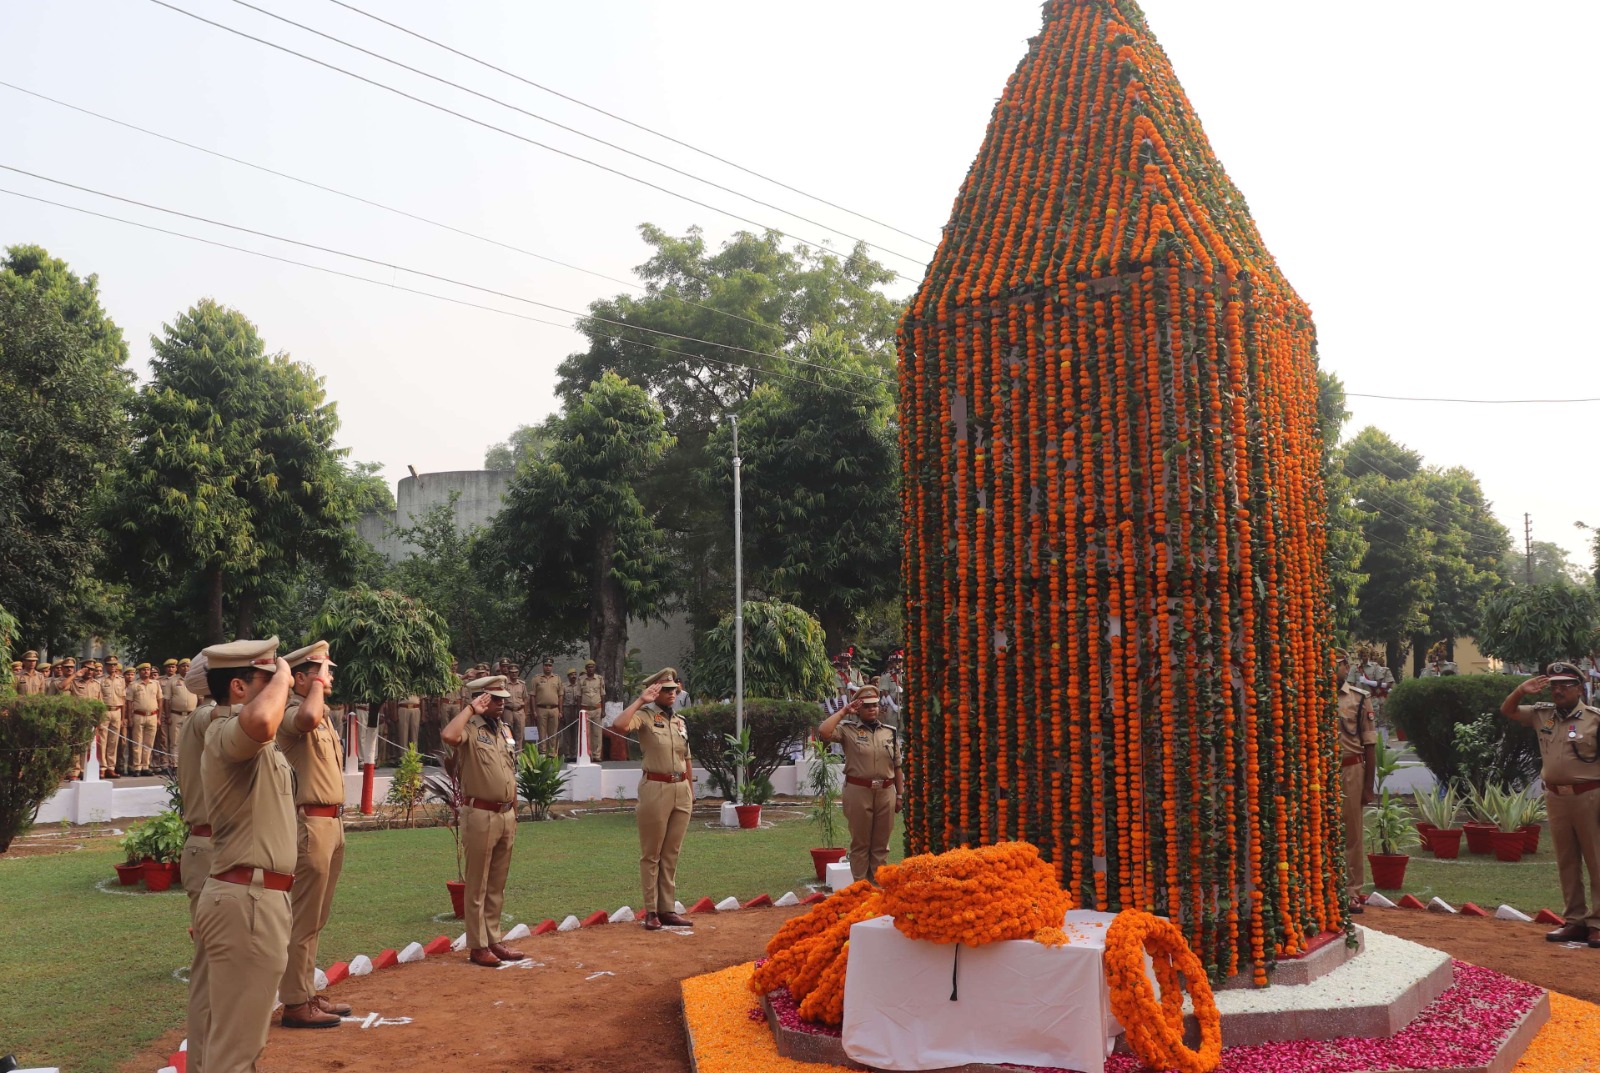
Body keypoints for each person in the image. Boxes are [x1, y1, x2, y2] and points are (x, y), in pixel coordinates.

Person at [193, 636, 295, 1073]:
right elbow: (262, 724)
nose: (278, 685)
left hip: (254, 900)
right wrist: (288, 676)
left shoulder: (243, 737)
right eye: (267, 678)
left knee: (238, 1044)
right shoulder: (228, 731)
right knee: (235, 1053)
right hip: (246, 903)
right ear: (239, 687)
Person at [272, 640, 350, 1028]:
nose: (329, 678)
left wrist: (316, 682)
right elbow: (304, 720)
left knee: (316, 917)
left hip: (332, 824)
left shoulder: (323, 713)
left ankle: (305, 992)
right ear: (299, 678)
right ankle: (295, 1003)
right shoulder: (292, 711)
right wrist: (314, 683)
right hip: (310, 824)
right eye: (323, 671)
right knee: (303, 918)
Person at [1499, 663, 1600, 947]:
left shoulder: (1594, 719)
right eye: (1554, 685)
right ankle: (1575, 921)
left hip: (1590, 796)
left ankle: (1598, 924)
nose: (1557, 690)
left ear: (1579, 688)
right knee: (1566, 861)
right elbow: (1508, 711)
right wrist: (1521, 690)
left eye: (1565, 685)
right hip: (1556, 798)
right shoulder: (1542, 714)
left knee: (1597, 860)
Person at [439, 675, 527, 967]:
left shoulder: (502, 729)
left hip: (505, 814)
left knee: (497, 883)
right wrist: (469, 711)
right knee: (477, 883)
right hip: (480, 814)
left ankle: (494, 939)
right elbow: (448, 737)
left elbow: (509, 771)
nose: (502, 702)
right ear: (479, 699)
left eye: (503, 698)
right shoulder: (469, 728)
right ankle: (478, 946)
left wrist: (514, 810)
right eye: (494, 698)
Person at [613, 668, 695, 931]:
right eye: (665, 689)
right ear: (655, 691)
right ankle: (651, 911)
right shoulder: (645, 716)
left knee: (671, 852)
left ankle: (667, 908)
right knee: (652, 854)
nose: (672, 693)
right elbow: (619, 726)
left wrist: (690, 790)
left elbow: (687, 758)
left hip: (680, 789)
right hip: (655, 788)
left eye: (674, 689)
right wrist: (640, 700)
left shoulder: (680, 721)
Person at [175, 653, 219, 1073]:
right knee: (211, 968)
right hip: (212, 850)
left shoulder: (204, 719)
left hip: (217, 849)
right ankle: (205, 1065)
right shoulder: (208, 718)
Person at [817, 684, 901, 884]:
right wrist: (845, 711)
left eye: (874, 705)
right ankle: (861, 887)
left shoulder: (890, 732)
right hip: (858, 791)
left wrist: (899, 795)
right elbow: (824, 731)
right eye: (866, 706)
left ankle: (878, 886)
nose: (872, 709)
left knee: (881, 844)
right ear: (858, 709)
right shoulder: (848, 730)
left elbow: (897, 766)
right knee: (861, 843)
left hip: (886, 791)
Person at [1333, 649, 1377, 914]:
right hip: (1320, 773)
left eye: (1335, 665)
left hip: (1351, 770)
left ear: (1345, 667)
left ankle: (1351, 892)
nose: (1330, 671)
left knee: (1352, 834)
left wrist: (1368, 786)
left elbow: (1369, 744)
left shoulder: (1359, 699)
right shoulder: (1310, 697)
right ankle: (1323, 890)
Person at [126, 663, 162, 778]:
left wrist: (159, 718)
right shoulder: (134, 685)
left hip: (152, 715)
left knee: (149, 743)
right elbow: (129, 702)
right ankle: (137, 767)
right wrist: (130, 718)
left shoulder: (155, 684)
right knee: (137, 742)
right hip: (138, 715)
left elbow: (160, 700)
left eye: (147, 669)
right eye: (143, 670)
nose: (146, 671)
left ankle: (146, 766)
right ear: (139, 672)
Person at [166, 657, 200, 774]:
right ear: (179, 668)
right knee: (175, 741)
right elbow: (167, 700)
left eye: (188, 666)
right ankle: (174, 764)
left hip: (191, 714)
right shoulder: (172, 681)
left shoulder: (194, 680)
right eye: (183, 666)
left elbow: (200, 698)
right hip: (176, 714)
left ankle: (189, 763)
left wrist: (198, 712)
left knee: (191, 740)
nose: (186, 668)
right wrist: (167, 716)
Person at [100, 655, 126, 778]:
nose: (113, 667)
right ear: (106, 666)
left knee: (113, 741)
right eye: (110, 665)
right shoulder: (100, 680)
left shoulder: (121, 680)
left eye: (115, 664)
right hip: (104, 710)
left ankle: (111, 767)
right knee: (102, 740)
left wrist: (123, 718)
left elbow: (124, 699)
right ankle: (102, 767)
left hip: (117, 711)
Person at [531, 659, 563, 757]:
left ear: (552, 666)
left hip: (554, 709)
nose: (548, 667)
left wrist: (560, 711)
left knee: (553, 732)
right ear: (543, 666)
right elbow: (532, 696)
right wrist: (534, 711)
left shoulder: (557, 678)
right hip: (541, 709)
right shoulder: (536, 679)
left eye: (549, 665)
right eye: (546, 665)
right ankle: (542, 753)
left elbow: (560, 695)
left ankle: (552, 753)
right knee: (542, 732)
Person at [577, 660, 605, 762]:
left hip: (597, 709)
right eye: (588, 667)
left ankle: (596, 755)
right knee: (586, 733)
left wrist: (603, 710)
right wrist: (579, 710)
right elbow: (579, 696)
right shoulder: (580, 680)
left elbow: (603, 694)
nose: (590, 669)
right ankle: (587, 754)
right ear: (586, 669)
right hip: (585, 710)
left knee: (597, 733)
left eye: (592, 667)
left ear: (595, 668)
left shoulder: (599, 679)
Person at [503, 664, 529, 753]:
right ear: (509, 673)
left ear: (518, 673)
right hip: (508, 710)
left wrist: (525, 711)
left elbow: (526, 698)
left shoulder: (522, 685)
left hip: (519, 711)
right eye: (512, 672)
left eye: (515, 672)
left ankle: (518, 754)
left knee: (520, 733)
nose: (514, 674)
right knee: (508, 733)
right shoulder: (504, 684)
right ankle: (509, 753)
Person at [561, 667, 581, 757]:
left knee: (575, 732)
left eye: (575, 674)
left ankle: (574, 753)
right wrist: (561, 712)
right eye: (571, 675)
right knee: (567, 733)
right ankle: (567, 754)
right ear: (568, 676)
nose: (574, 676)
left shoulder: (579, 686)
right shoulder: (564, 686)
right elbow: (561, 699)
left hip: (576, 709)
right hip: (567, 709)